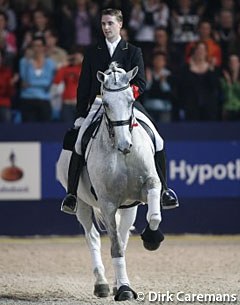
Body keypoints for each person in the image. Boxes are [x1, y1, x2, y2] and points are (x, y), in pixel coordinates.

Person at [61, 8, 178, 214]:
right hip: (99, 103)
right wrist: (81, 114)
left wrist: (127, 95)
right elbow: (84, 85)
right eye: (104, 23)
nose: (106, 27)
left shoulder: (133, 51)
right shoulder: (92, 52)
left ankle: (165, 191)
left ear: (120, 25)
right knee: (79, 142)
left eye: (110, 23)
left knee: (157, 139)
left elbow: (141, 82)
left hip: (127, 103)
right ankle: (71, 195)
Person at [19, 34, 56, 122]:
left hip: (44, 99)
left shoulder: (50, 63)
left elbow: (47, 83)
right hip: (27, 98)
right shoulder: (24, 62)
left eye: (39, 46)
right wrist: (28, 62)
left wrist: (31, 84)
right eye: (34, 46)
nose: (37, 48)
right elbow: (24, 81)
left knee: (45, 131)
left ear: (44, 47)